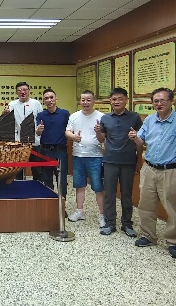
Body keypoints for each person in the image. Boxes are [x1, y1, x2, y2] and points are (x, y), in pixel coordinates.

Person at [128, 88, 176, 259]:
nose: (159, 104)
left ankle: (174, 242)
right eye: (156, 101)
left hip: (171, 170)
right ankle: (148, 235)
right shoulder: (149, 120)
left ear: (172, 101)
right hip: (149, 169)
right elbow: (141, 141)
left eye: (162, 100)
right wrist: (134, 137)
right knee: (145, 205)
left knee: (172, 208)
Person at [95, 88, 143, 237]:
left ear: (126, 100)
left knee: (126, 194)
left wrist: (139, 160)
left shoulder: (134, 117)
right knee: (109, 194)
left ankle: (127, 224)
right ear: (110, 101)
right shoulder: (105, 118)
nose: (116, 102)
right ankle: (110, 223)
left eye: (120, 99)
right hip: (110, 160)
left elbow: (140, 141)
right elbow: (101, 139)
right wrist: (97, 131)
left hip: (128, 161)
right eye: (114, 99)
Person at [65, 90, 105, 227]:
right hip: (78, 156)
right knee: (79, 185)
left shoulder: (101, 117)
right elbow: (67, 131)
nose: (85, 102)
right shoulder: (74, 116)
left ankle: (102, 215)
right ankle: (79, 211)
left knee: (98, 187)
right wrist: (73, 136)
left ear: (94, 101)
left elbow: (104, 138)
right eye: (83, 100)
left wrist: (99, 131)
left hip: (96, 157)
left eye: (88, 100)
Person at [4, 82, 43, 179]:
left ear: (29, 91)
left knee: (37, 169)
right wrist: (6, 114)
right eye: (19, 90)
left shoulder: (36, 103)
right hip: (18, 142)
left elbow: (41, 119)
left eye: (25, 90)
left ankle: (37, 185)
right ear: (16, 92)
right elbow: (7, 120)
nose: (22, 92)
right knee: (18, 170)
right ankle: (19, 186)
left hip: (35, 141)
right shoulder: (12, 104)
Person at [35, 88, 70, 196]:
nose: (49, 100)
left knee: (62, 180)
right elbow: (38, 132)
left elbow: (69, 130)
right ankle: (50, 203)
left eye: (51, 97)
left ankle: (62, 203)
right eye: (46, 98)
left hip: (60, 151)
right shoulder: (40, 115)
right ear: (43, 101)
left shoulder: (65, 113)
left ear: (56, 98)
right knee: (47, 179)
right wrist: (38, 130)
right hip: (45, 151)